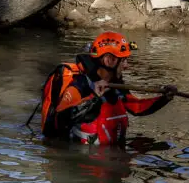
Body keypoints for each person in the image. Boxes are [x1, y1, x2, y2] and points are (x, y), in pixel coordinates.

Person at [38, 31, 176, 145]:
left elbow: (137, 107)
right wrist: (93, 99)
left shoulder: (117, 85)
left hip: (110, 156)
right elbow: (60, 119)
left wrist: (164, 98)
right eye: (124, 60)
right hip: (83, 163)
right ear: (109, 60)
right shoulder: (79, 85)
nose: (127, 66)